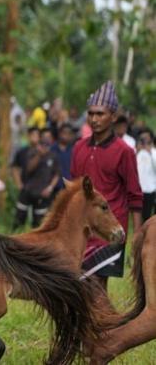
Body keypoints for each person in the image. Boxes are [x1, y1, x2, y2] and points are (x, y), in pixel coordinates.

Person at [72, 81, 142, 290]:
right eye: (91, 113)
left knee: (97, 287)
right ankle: (103, 322)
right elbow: (75, 190)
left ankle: (109, 323)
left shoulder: (124, 151)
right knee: (82, 288)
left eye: (100, 114)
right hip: (83, 230)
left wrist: (136, 238)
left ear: (113, 116)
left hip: (110, 231)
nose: (94, 119)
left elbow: (135, 196)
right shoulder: (79, 147)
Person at [13, 129, 60, 229]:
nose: (45, 146)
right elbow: (29, 168)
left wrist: (50, 188)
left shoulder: (53, 156)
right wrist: (39, 155)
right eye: (43, 143)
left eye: (47, 143)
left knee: (39, 224)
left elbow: (56, 174)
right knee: (19, 220)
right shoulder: (32, 153)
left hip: (42, 194)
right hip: (27, 192)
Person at [136, 128, 155, 221]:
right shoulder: (136, 151)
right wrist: (137, 151)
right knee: (139, 214)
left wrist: (150, 152)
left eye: (146, 138)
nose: (144, 140)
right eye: (142, 138)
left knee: (148, 215)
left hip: (151, 188)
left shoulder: (154, 152)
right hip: (139, 188)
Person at [51, 123, 75, 194]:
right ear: (59, 133)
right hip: (53, 188)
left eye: (69, 133)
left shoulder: (74, 150)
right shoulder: (51, 150)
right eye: (64, 132)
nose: (66, 135)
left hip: (69, 187)